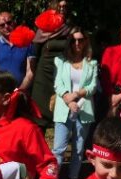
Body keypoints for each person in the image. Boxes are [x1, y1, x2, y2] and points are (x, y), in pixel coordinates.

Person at [53, 27, 98, 179]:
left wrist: (77, 94)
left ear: (85, 41)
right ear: (69, 42)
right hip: (64, 108)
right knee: (58, 149)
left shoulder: (92, 63)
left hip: (84, 110)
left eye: (80, 40)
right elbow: (58, 84)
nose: (77, 43)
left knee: (78, 149)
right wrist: (68, 98)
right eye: (74, 40)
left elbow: (93, 86)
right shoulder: (61, 60)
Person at [30, 0, 72, 128]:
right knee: (39, 110)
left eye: (65, 6)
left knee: (60, 108)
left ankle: (59, 143)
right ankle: (38, 143)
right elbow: (34, 54)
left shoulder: (70, 29)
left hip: (62, 73)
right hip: (43, 73)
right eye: (59, 6)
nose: (62, 8)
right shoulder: (43, 28)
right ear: (53, 8)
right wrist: (33, 71)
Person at [0, 12, 35, 92]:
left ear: (14, 22)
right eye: (2, 25)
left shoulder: (27, 44)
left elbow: (30, 72)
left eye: (9, 23)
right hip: (0, 92)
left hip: (22, 92)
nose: (6, 26)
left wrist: (19, 91)